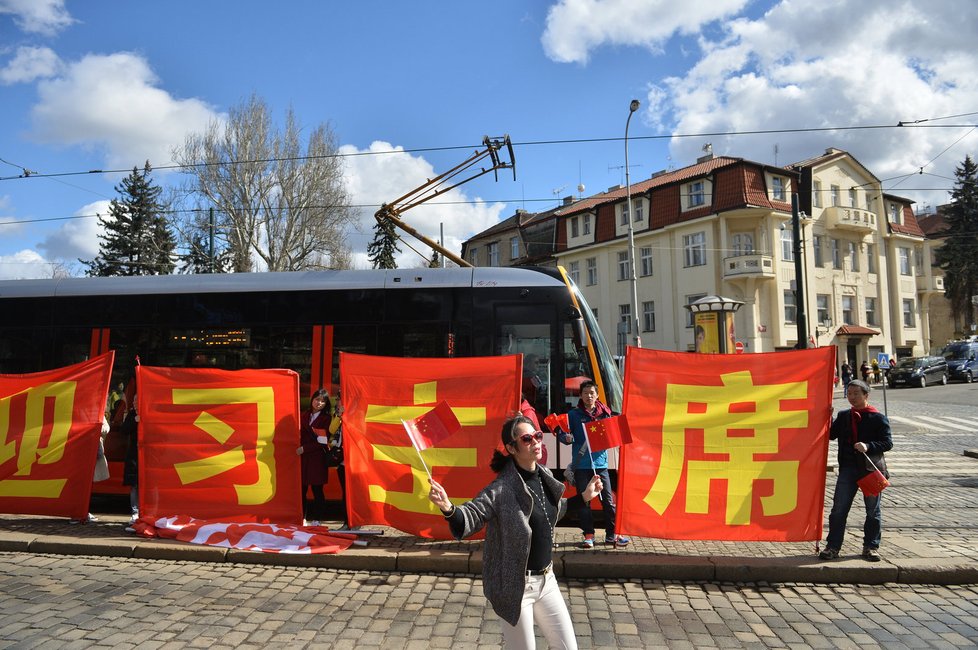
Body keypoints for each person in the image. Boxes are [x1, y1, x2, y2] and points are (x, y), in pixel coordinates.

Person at [428, 415, 603, 649]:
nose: (536, 442)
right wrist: (449, 508)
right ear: (512, 448)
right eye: (527, 439)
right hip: (517, 587)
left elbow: (552, 512)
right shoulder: (500, 489)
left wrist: (584, 497)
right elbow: (471, 516)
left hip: (547, 581)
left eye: (538, 436)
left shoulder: (544, 476)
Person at [819, 379, 892, 562]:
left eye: (856, 394)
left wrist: (868, 446)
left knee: (872, 511)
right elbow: (831, 435)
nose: (851, 397)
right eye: (849, 394)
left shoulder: (878, 418)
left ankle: (871, 547)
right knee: (838, 510)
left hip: (870, 470)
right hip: (848, 469)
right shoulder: (844, 416)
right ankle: (833, 547)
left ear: (866, 395)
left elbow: (887, 442)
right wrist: (828, 418)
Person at [558, 380, 629, 548]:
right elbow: (562, 433)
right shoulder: (573, 415)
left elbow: (614, 433)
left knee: (608, 501)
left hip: (601, 464)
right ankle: (588, 535)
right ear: (580, 396)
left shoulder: (605, 413)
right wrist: (565, 438)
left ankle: (611, 535)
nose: (588, 396)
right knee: (585, 501)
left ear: (597, 395)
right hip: (582, 466)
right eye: (585, 393)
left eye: (592, 393)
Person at [296, 389, 333, 525]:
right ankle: (302, 517)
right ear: (312, 400)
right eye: (317, 399)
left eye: (323, 401)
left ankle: (317, 519)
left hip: (317, 459)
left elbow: (322, 442)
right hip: (303, 459)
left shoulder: (327, 419)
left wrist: (304, 448)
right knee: (302, 490)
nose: (319, 403)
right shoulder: (303, 415)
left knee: (317, 490)